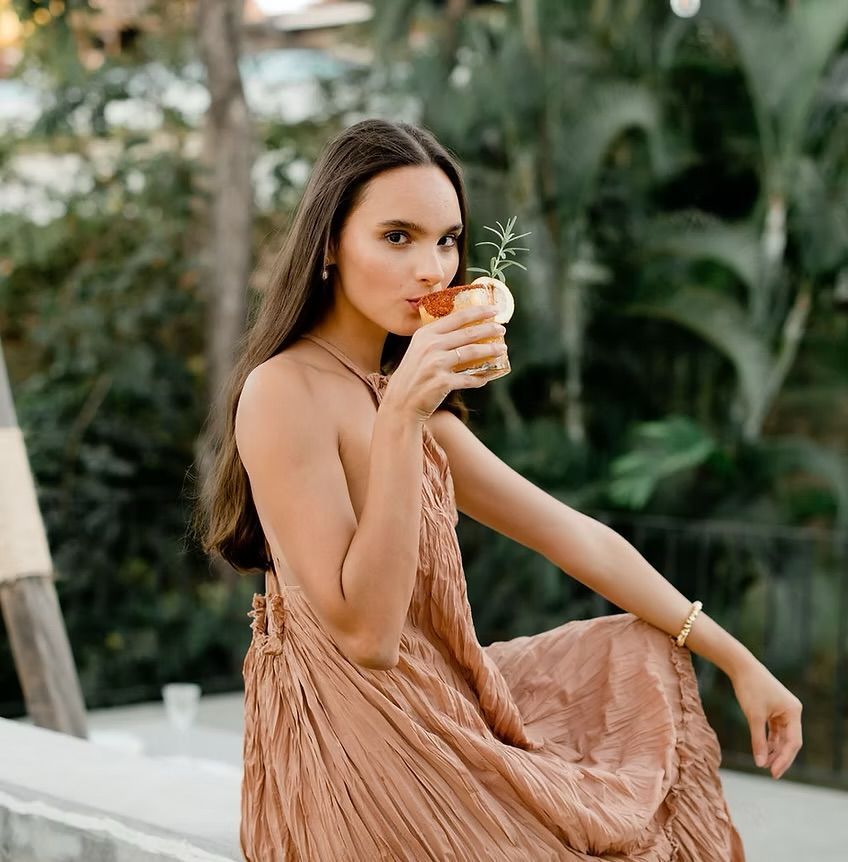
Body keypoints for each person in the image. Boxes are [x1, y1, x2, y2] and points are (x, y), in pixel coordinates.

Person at [196, 119, 802, 861]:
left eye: (447, 239)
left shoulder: (405, 402)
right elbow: (368, 637)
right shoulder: (283, 390)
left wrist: (738, 659)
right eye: (397, 237)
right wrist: (402, 418)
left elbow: (571, 535)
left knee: (635, 655)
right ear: (329, 244)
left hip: (438, 710)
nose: (432, 269)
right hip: (352, 751)